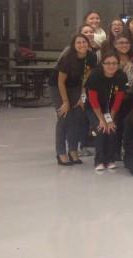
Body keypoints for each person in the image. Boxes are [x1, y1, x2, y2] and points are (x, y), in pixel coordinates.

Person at [50, 33, 96, 166]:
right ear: (74, 45)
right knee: (64, 117)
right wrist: (65, 102)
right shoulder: (67, 59)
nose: (82, 45)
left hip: (76, 87)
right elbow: (60, 82)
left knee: (77, 118)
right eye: (78, 43)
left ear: (88, 44)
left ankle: (73, 150)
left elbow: (86, 79)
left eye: (84, 42)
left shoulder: (91, 57)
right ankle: (61, 152)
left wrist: (82, 97)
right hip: (58, 87)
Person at [85, 51, 128, 171]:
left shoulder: (121, 76)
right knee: (101, 129)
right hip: (94, 108)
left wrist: (111, 119)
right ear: (102, 64)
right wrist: (102, 120)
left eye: (114, 63)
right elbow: (93, 100)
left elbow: (118, 99)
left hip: (110, 109)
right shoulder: (95, 75)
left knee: (112, 129)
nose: (111, 66)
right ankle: (99, 160)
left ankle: (110, 159)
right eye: (108, 63)